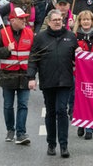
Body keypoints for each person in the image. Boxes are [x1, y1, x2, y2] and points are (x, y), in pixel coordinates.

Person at [28, 10, 79, 158]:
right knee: (50, 112)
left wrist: (80, 52)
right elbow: (33, 59)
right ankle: (51, 143)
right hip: (48, 80)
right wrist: (31, 77)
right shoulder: (41, 38)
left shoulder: (70, 37)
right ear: (49, 22)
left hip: (65, 81)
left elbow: (77, 58)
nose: (57, 22)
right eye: (55, 20)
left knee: (61, 110)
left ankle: (64, 145)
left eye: (60, 19)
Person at [0, 7, 33, 145]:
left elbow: (34, 55)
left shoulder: (30, 33)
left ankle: (21, 133)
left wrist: (33, 75)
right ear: (12, 20)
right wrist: (6, 50)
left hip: (25, 75)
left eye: (25, 18)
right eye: (21, 18)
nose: (24, 20)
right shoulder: (2, 34)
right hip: (8, 75)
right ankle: (10, 130)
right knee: (8, 105)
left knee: (23, 105)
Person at [72, 10, 93, 139]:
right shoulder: (73, 36)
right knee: (78, 99)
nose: (86, 22)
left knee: (91, 99)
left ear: (92, 21)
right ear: (79, 22)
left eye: (88, 19)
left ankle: (90, 128)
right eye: (83, 19)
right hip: (77, 72)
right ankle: (81, 123)